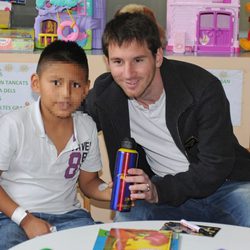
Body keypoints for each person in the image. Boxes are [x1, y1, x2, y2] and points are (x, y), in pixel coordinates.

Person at [84, 12, 250, 226]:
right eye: (118, 61)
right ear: (107, 62)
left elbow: (215, 166)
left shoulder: (202, 89)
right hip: (161, 194)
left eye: (138, 60)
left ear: (158, 57)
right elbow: (71, 121)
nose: (128, 74)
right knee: (125, 225)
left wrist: (158, 190)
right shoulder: (105, 96)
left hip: (225, 187)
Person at [0, 40, 111, 249]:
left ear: (86, 88)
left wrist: (111, 192)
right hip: (12, 217)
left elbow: (89, 183)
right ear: (36, 83)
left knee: (99, 243)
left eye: (75, 85)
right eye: (56, 82)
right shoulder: (13, 125)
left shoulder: (86, 127)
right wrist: (26, 219)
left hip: (70, 217)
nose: (66, 94)